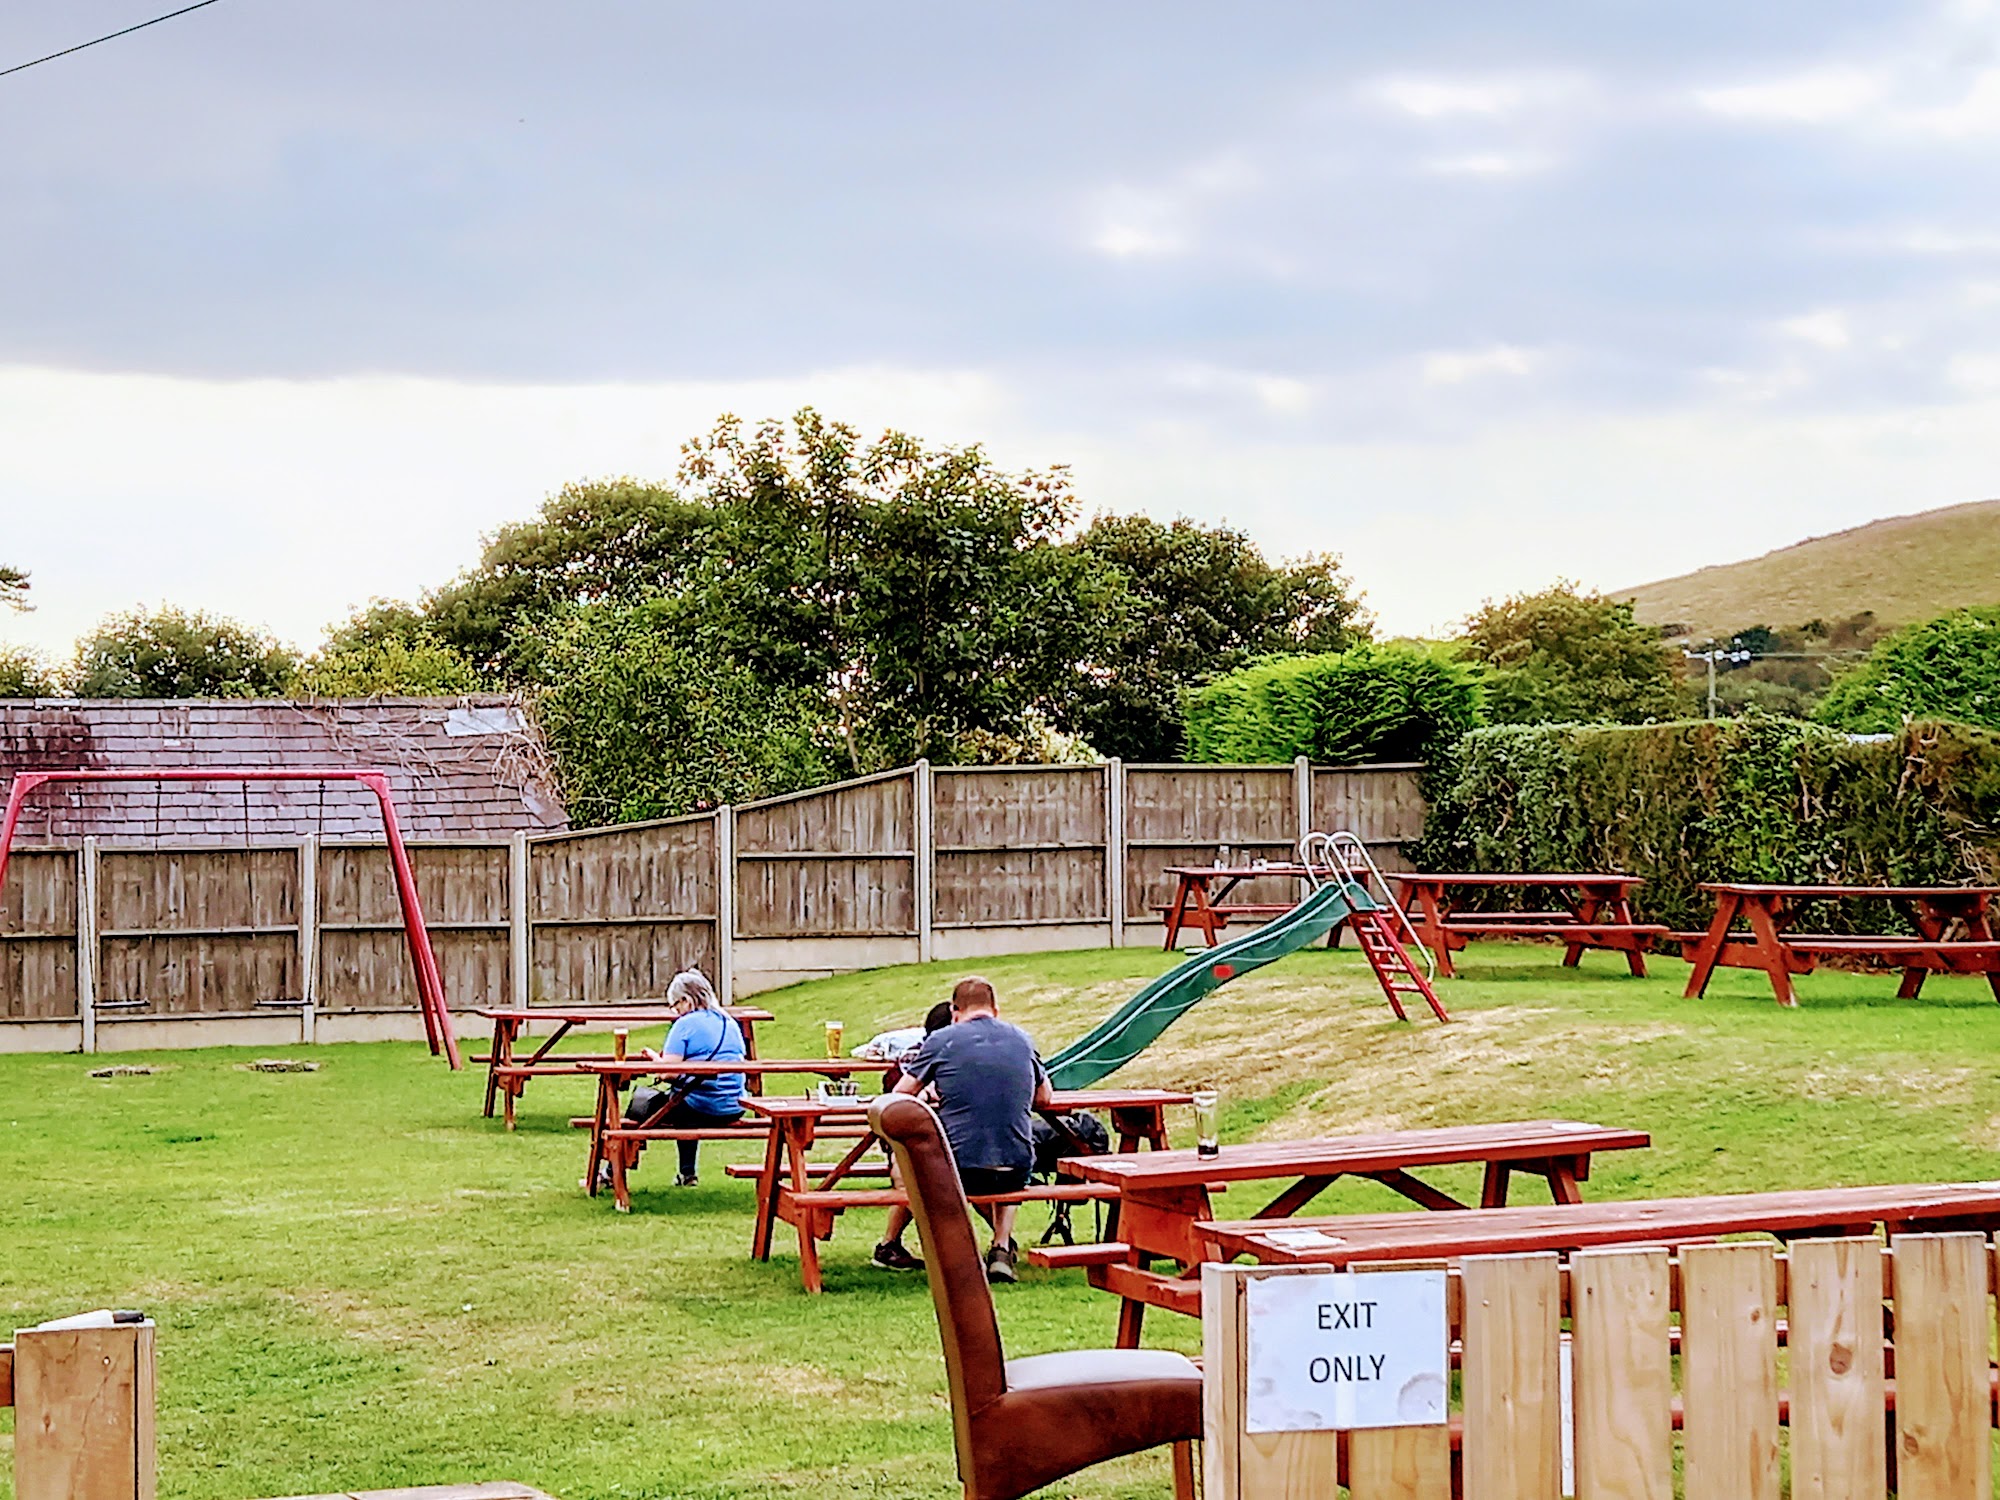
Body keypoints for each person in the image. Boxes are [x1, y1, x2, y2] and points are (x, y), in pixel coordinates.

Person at [872, 976, 1051, 1284]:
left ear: (955, 1011)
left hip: (958, 1169)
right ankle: (1001, 1246)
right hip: (1018, 1167)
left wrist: (929, 1092)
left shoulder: (942, 1040)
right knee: (1006, 1144)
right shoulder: (1023, 1039)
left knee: (924, 1163)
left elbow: (897, 1097)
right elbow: (1045, 1097)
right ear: (996, 1009)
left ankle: (934, 1247)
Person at [618, 968, 745, 1188]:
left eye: (675, 1004)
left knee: (642, 1107)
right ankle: (687, 1174)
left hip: (701, 1107)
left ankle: (612, 1173)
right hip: (734, 1105)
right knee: (681, 1101)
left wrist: (654, 1058)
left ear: (686, 1001)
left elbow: (668, 1072)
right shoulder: (729, 1022)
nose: (674, 1011)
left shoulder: (684, 1025)